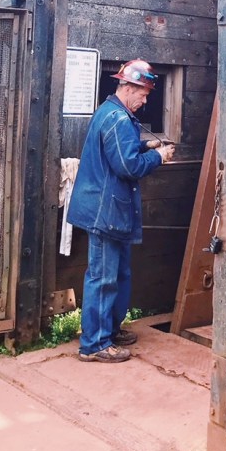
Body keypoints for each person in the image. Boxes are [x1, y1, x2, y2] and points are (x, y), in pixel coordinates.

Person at [67, 59, 175, 363]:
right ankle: (94, 344)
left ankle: (109, 330)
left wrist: (146, 146)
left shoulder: (113, 113)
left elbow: (124, 151)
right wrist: (159, 157)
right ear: (127, 87)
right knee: (103, 277)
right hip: (105, 212)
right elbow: (128, 167)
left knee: (117, 273)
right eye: (142, 94)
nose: (145, 100)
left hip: (110, 210)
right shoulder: (117, 119)